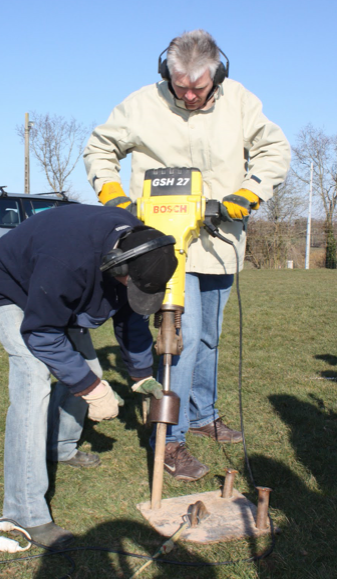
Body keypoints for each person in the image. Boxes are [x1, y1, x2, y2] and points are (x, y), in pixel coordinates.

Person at [84, 29, 291, 482]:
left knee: (210, 337)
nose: (191, 94)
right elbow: (100, 147)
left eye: (200, 86)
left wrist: (247, 194)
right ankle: (170, 439)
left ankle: (202, 413)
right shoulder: (142, 103)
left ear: (218, 73)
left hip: (219, 242)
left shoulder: (239, 100)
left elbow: (275, 150)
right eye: (182, 86)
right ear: (167, 73)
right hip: (165, 244)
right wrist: (114, 192)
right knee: (182, 337)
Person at [0, 203, 177, 547]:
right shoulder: (67, 261)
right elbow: (41, 333)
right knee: (33, 381)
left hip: (55, 292)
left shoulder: (140, 248)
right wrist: (92, 390)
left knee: (90, 369)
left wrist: (141, 374)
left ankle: (61, 446)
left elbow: (131, 319)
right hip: (10, 287)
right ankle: (24, 511)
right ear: (117, 265)